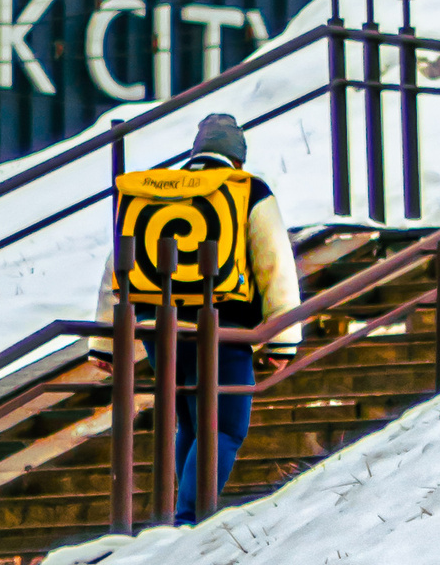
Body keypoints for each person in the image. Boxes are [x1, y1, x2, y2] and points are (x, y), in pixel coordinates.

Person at [99, 112, 301, 523]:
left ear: (196, 152)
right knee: (226, 428)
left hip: (160, 325)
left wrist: (104, 341)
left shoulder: (156, 189)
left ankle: (183, 513)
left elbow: (115, 266)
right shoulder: (248, 189)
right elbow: (274, 265)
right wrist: (282, 339)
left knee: (190, 422)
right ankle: (190, 519)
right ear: (238, 159)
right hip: (224, 327)